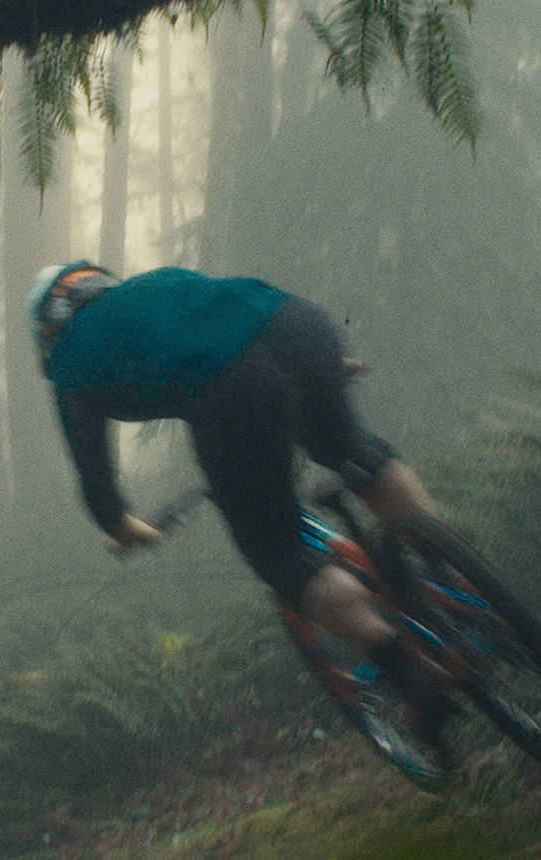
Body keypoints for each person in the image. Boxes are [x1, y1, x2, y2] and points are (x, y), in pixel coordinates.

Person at [27, 261, 454, 763]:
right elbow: (245, 305)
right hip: (300, 326)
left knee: (277, 552)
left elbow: (94, 477)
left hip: (233, 387)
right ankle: (455, 581)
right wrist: (323, 362)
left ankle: (415, 679)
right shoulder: (158, 282)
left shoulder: (70, 362)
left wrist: (122, 526)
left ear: (49, 329)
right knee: (354, 452)